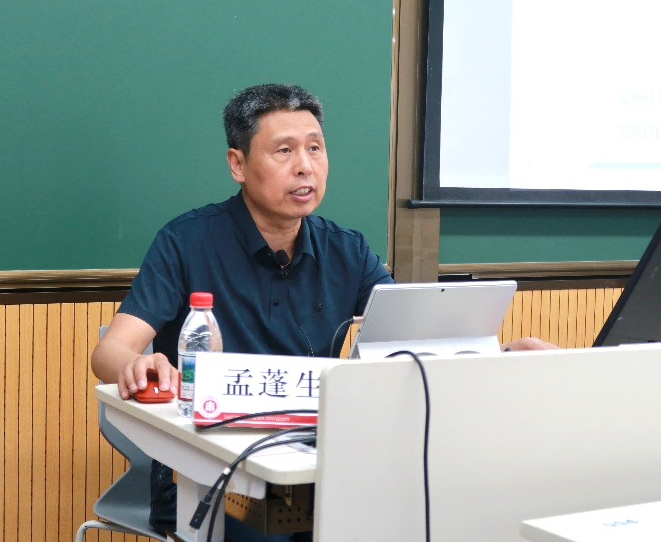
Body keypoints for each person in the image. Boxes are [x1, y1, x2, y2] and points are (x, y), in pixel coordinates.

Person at [91, 83, 557, 541]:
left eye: (315, 148)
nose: (305, 166)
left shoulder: (347, 250)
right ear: (238, 164)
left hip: (320, 461)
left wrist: (501, 355)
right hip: (209, 471)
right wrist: (139, 365)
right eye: (284, 151)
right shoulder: (187, 242)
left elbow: (414, 345)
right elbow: (110, 352)